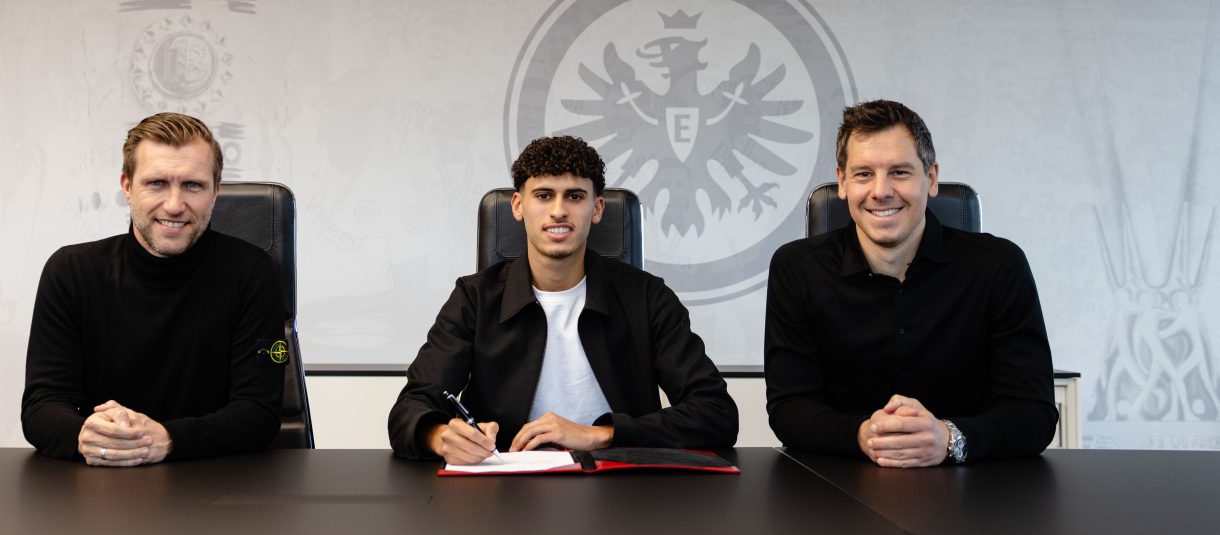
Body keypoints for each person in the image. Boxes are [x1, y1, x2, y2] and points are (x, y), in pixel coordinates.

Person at [388, 135, 738, 464]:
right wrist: (440, 437)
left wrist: (599, 434)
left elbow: (716, 413)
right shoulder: (474, 298)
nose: (558, 211)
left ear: (596, 209)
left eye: (574, 196)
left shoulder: (648, 297)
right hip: (505, 488)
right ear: (518, 206)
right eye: (543, 195)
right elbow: (411, 408)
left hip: (622, 489)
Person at [765, 100, 1057, 467]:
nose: (881, 191)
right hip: (837, 484)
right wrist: (863, 435)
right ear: (842, 182)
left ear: (931, 179)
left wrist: (949, 438)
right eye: (863, 174)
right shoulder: (796, 269)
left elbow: (1034, 413)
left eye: (900, 172)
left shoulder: (999, 266)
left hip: (975, 487)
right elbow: (789, 408)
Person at [21, 112, 287, 466]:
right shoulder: (71, 272)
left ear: (216, 191)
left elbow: (259, 415)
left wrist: (168, 439)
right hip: (101, 482)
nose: (174, 205)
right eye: (157, 183)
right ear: (127, 187)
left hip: (215, 482)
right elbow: (41, 407)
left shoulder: (251, 272)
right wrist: (84, 435)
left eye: (193, 185)